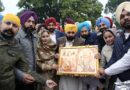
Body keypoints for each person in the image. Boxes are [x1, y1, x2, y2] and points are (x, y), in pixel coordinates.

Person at [15, 10, 57, 90]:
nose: (31, 24)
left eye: (33, 22)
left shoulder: (34, 37)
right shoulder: (17, 37)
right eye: (28, 21)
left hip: (34, 77)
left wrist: (43, 80)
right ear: (23, 21)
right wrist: (21, 75)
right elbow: (11, 63)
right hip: (20, 80)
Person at [97, 1, 130, 82]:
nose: (125, 17)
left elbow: (127, 61)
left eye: (128, 14)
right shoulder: (118, 38)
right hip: (120, 82)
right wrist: (103, 68)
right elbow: (114, 58)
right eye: (122, 16)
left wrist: (105, 71)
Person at [57, 24, 84, 90]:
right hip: (63, 70)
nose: (71, 34)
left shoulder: (81, 41)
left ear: (75, 33)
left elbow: (82, 55)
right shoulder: (59, 40)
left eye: (72, 33)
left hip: (75, 71)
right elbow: (55, 52)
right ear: (65, 32)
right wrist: (56, 55)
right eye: (69, 32)